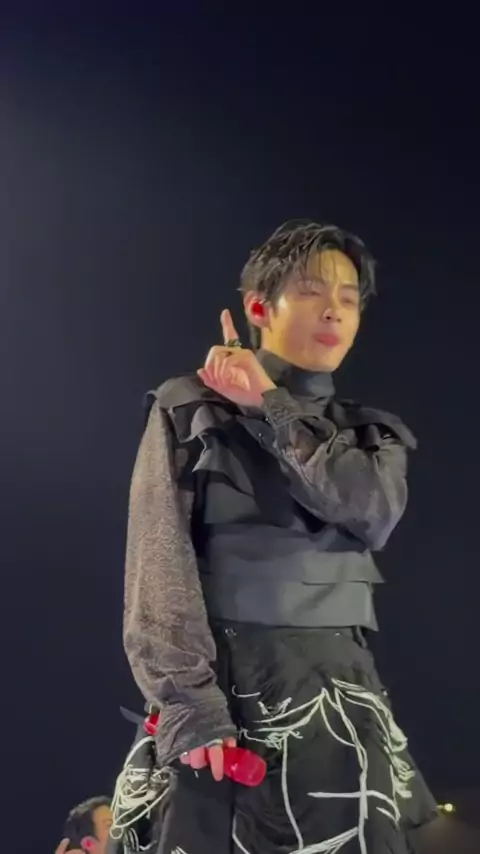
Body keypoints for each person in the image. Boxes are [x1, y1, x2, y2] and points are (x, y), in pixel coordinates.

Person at [116, 220, 437, 853]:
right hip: (224, 695)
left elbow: (371, 512)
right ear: (260, 308)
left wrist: (270, 402)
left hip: (343, 694)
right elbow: (157, 562)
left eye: (349, 299)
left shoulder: (371, 434)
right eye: (313, 292)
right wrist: (190, 705)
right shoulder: (187, 406)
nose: (334, 311)